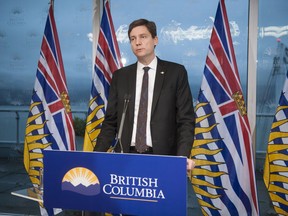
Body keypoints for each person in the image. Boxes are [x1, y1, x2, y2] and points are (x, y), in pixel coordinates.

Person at [94, 18, 195, 171]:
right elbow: (110, 122)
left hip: (164, 158)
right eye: (133, 39)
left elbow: (186, 119)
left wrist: (182, 157)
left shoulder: (176, 73)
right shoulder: (120, 76)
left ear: (155, 40)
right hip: (126, 157)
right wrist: (95, 156)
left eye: (143, 37)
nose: (137, 42)